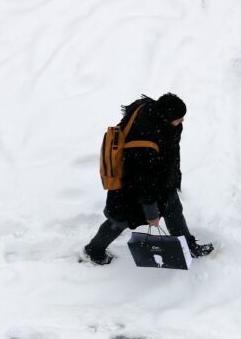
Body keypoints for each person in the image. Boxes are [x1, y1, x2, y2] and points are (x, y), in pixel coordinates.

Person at [83, 92, 214, 265]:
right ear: (165, 119)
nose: (182, 122)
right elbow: (145, 185)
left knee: (173, 209)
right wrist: (152, 214)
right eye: (179, 119)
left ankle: (187, 246)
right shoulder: (144, 146)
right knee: (120, 219)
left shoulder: (149, 108)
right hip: (129, 185)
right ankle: (94, 250)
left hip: (158, 180)